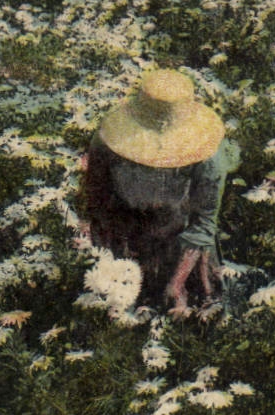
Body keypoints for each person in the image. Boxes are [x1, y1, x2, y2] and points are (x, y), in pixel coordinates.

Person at [81, 69, 240, 317]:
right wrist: (107, 267)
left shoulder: (208, 156)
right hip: (127, 237)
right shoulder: (107, 143)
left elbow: (203, 223)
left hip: (183, 242)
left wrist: (176, 282)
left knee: (191, 316)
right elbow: (97, 201)